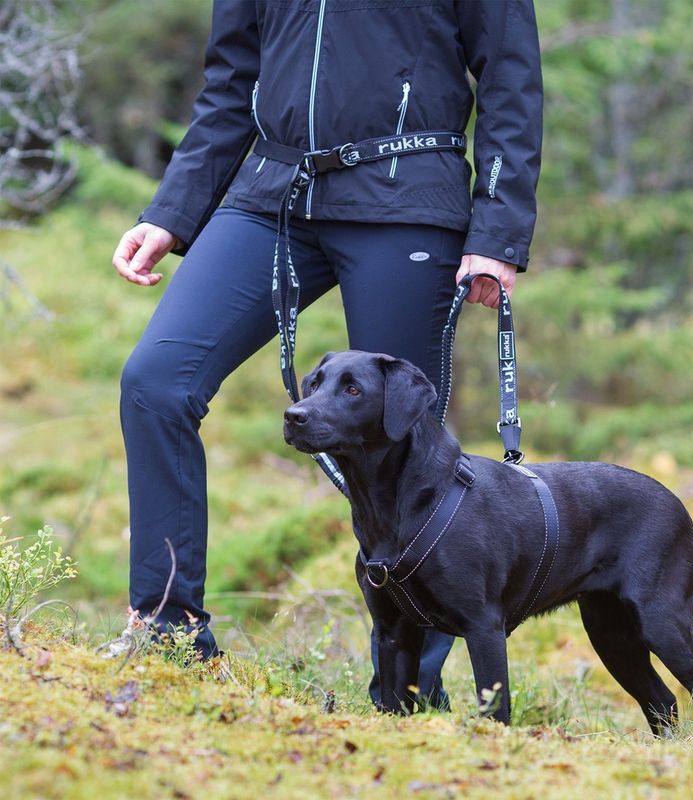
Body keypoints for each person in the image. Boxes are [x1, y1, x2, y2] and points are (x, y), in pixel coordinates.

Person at [112, 1, 542, 707]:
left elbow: (511, 77)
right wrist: (172, 210)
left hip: (407, 196)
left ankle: (406, 692)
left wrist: (499, 226)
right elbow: (230, 82)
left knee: (405, 446)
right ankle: (169, 631)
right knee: (156, 381)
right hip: (271, 194)